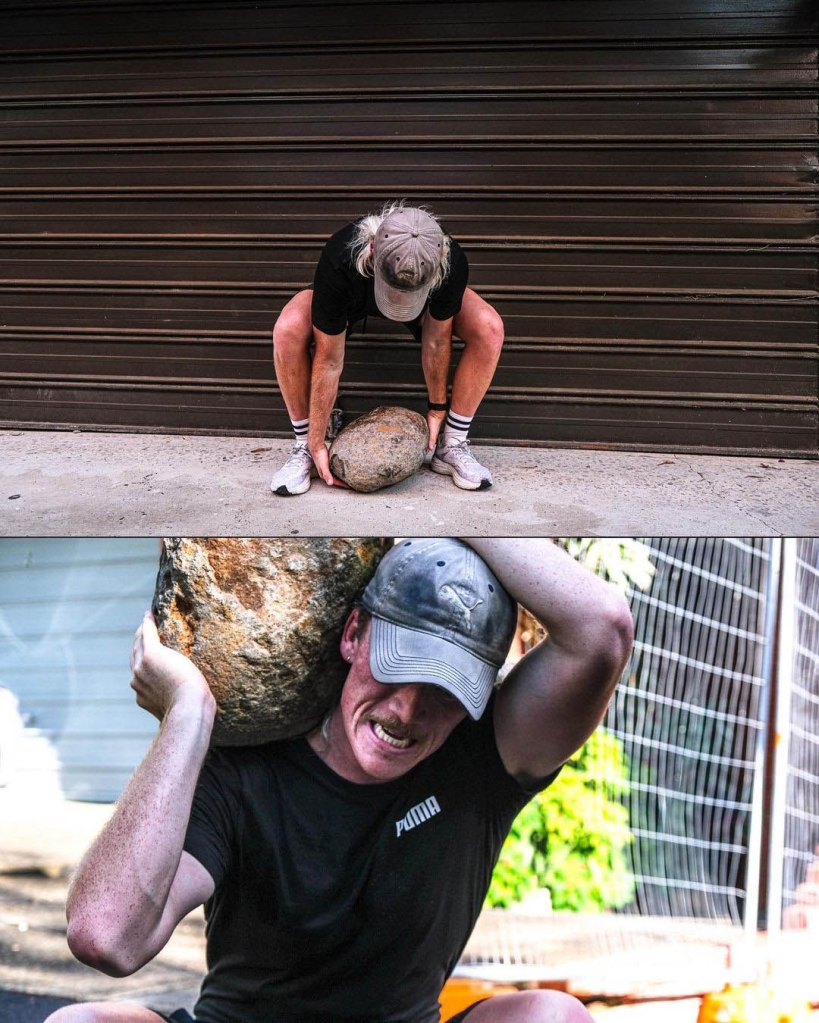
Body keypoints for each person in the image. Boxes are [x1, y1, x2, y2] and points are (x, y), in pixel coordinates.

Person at [46, 538, 634, 1023]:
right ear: (353, 634)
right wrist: (188, 715)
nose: (406, 710)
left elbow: (601, 629)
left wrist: (449, 505)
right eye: (396, 666)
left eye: (443, 689)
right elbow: (106, 936)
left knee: (552, 1017)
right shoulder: (248, 766)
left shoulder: (484, 757)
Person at [270, 201, 505, 495]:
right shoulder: (340, 256)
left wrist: (436, 410)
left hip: (426, 303)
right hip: (356, 289)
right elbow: (329, 360)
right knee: (288, 329)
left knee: (489, 327)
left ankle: (452, 444)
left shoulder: (449, 260)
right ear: (371, 246)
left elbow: (435, 340)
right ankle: (303, 448)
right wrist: (316, 440)